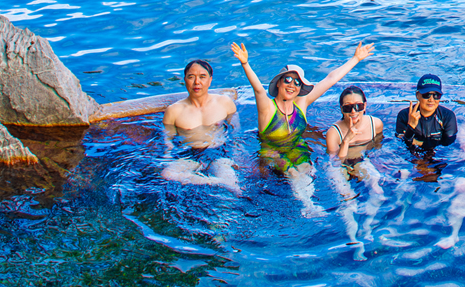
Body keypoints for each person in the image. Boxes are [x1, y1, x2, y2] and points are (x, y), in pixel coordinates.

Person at [231, 39, 373, 216]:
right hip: (271, 152)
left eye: (297, 83)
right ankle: (308, 206)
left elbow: (330, 79)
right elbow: (258, 89)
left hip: (297, 149)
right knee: (292, 172)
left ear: (300, 88)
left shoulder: (301, 104)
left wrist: (355, 59)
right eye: (288, 80)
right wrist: (245, 63)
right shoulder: (267, 108)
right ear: (278, 83)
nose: (292, 85)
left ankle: (312, 199)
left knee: (307, 169)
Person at [160, 58, 242, 191]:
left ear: (210, 80)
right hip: (190, 155)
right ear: (185, 80)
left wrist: (238, 154)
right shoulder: (174, 110)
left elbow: (236, 132)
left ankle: (208, 181)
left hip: (218, 152)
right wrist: (167, 157)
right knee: (167, 174)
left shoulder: (224, 102)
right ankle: (212, 182)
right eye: (191, 77)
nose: (197, 82)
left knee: (234, 187)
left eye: (202, 77)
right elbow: (167, 140)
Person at [324, 84, 386, 255]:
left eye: (358, 106)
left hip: (360, 160)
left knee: (378, 190)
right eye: (348, 107)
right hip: (339, 163)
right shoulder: (334, 132)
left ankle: (367, 227)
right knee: (348, 200)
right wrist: (347, 140)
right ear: (341, 109)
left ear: (365, 106)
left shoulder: (375, 124)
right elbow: (336, 161)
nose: (353, 111)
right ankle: (353, 239)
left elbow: (376, 148)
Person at [396, 73, 460, 148]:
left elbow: (448, 144)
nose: (431, 100)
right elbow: (402, 144)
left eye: (436, 95)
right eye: (427, 95)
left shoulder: (448, 116)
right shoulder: (404, 115)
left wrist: (418, 143)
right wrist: (411, 127)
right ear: (417, 95)